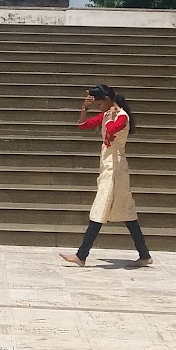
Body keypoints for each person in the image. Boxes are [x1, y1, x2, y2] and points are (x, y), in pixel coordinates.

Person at [61, 84, 152, 268]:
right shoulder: (107, 115)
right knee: (126, 211)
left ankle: (82, 255)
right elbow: (83, 125)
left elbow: (110, 132)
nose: (99, 108)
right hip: (109, 166)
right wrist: (84, 108)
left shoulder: (122, 117)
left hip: (116, 168)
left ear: (108, 100)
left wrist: (109, 117)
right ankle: (144, 254)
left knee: (100, 207)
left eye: (100, 104)